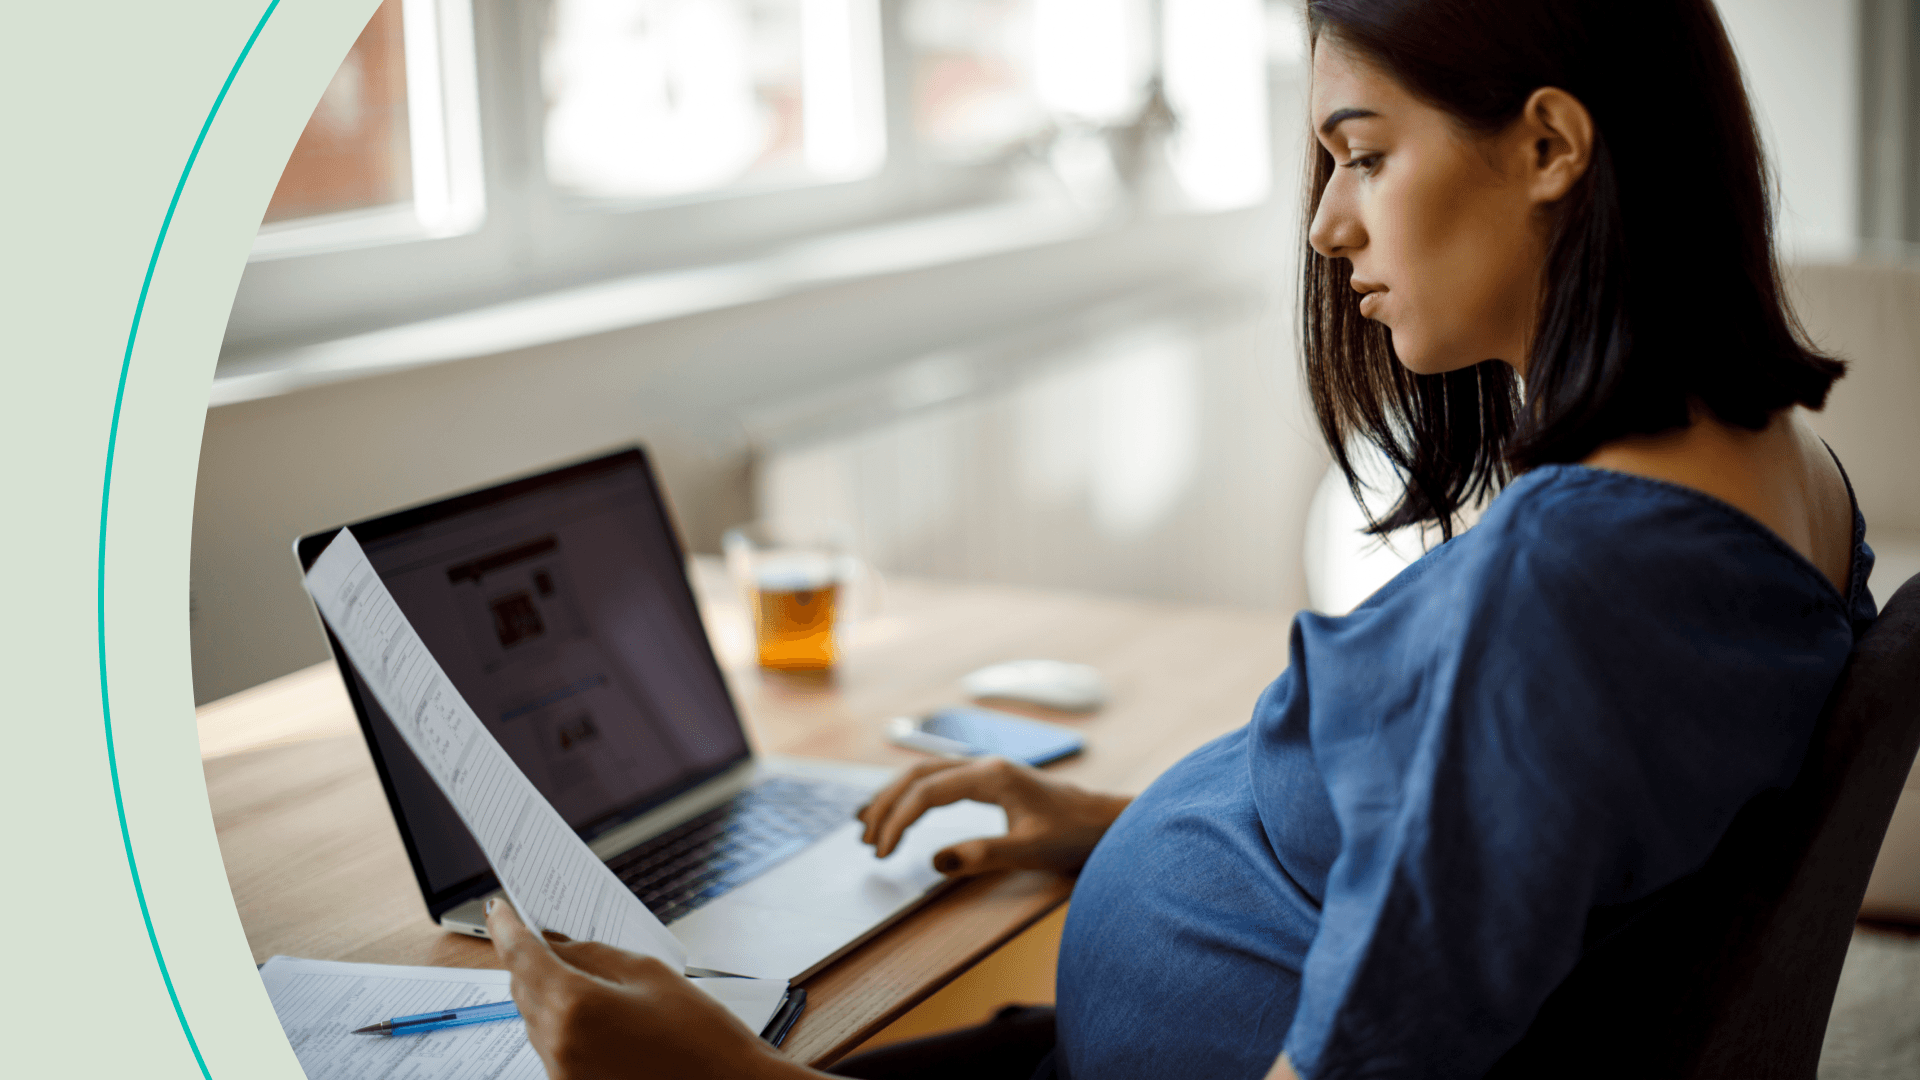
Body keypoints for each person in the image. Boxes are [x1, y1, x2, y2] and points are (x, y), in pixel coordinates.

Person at [482, 1, 1879, 1077]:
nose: (1329, 225)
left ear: (1550, 146)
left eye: (1364, 156)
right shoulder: (1771, 467)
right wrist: (1115, 828)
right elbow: (1533, 851)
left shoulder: (1574, 579)